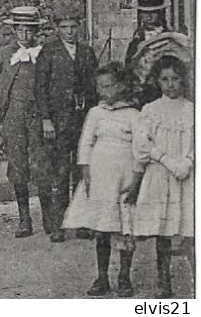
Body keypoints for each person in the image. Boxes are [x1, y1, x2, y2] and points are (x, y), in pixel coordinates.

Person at [63, 62, 140, 297]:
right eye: (100, 87)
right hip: (100, 177)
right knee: (102, 228)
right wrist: (85, 170)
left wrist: (136, 179)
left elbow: (141, 148)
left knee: (125, 227)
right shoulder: (95, 113)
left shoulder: (134, 115)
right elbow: (85, 142)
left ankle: (124, 276)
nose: (103, 91)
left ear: (123, 86)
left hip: (124, 178)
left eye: (108, 86)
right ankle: (102, 276)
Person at [129, 56, 194, 299]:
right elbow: (142, 144)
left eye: (175, 79)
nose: (170, 85)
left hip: (186, 177)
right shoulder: (150, 110)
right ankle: (163, 281)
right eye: (165, 80)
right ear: (157, 81)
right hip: (160, 173)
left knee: (189, 228)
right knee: (165, 230)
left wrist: (188, 162)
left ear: (183, 80)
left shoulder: (191, 109)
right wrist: (167, 160)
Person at [0, 5, 53, 238]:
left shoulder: (45, 52)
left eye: (29, 30)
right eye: (20, 30)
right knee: (17, 165)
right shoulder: (5, 54)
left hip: (37, 115)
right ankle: (24, 219)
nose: (24, 35)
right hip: (13, 114)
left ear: (36, 31)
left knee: (41, 164)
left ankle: (48, 217)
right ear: (14, 30)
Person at [35, 7, 97, 242]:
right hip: (58, 122)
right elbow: (40, 87)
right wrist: (46, 118)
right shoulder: (48, 52)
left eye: (73, 27)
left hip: (83, 120)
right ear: (57, 29)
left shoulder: (87, 52)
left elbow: (93, 86)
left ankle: (81, 221)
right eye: (64, 28)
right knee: (59, 172)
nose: (69, 32)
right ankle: (58, 223)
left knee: (81, 170)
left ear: (78, 28)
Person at [124, 0, 170, 106]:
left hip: (165, 96)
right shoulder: (136, 42)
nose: (148, 17)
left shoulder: (170, 38)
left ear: (160, 12)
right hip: (142, 98)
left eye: (153, 12)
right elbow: (129, 71)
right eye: (144, 13)